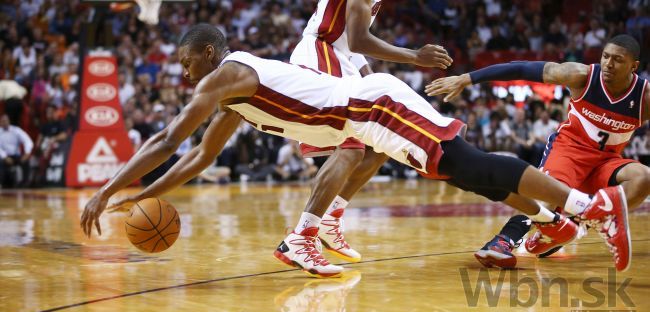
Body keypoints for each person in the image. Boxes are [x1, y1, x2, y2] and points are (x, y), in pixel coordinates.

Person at [81, 24, 630, 278]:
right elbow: (197, 158)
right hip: (365, 122)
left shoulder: (227, 74)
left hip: (374, 107)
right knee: (466, 172)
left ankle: (587, 208)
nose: (184, 75)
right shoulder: (233, 101)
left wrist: (107, 191)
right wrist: (135, 199)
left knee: (469, 164)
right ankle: (556, 216)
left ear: (206, 54)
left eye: (186, 64)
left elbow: (166, 138)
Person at [425, 34, 648, 271]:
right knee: (545, 194)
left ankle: (571, 224)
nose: (608, 64)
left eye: (618, 60)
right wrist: (468, 78)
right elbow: (522, 68)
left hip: (607, 161)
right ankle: (503, 241)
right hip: (570, 150)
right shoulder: (581, 75)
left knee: (643, 178)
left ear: (634, 66)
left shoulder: (644, 97)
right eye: (605, 56)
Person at [286, 0, 453, 265]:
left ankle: (331, 218)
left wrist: (368, 77)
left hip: (341, 58)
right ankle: (301, 236)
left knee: (381, 140)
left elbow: (350, 43)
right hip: (321, 54)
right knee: (351, 149)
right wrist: (415, 56)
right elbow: (358, 40)